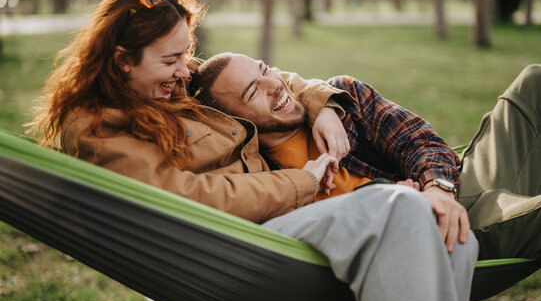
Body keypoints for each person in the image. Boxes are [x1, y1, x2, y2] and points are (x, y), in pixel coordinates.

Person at [30, 0, 478, 301]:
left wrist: (318, 104)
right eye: (171, 60)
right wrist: (300, 182)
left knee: (445, 226)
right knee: (396, 206)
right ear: (123, 60)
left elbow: (259, 77)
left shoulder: (172, 83)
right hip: (234, 246)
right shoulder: (97, 126)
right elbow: (180, 197)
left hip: (277, 219)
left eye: (186, 54)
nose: (185, 70)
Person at [189, 51, 541, 263]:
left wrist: (437, 189)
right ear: (238, 121)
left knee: (533, 81)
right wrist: (405, 202)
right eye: (253, 92)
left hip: (454, 187)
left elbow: (421, 143)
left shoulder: (344, 100)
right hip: (449, 232)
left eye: (264, 69)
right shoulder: (266, 179)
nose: (274, 85)